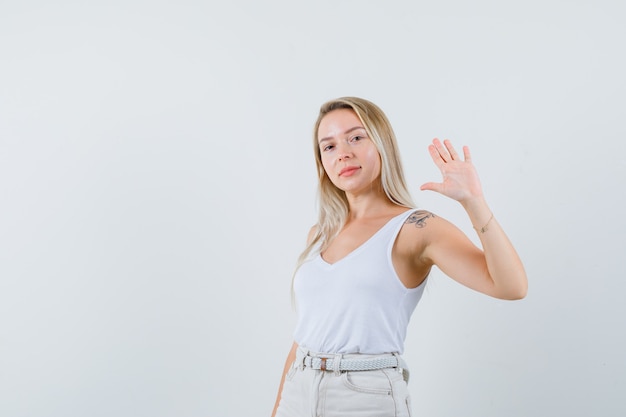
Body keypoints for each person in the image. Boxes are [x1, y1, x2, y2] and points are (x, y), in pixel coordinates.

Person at [271, 97, 527, 417]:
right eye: (329, 146)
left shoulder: (415, 228)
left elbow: (511, 286)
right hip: (298, 389)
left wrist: (473, 201)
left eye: (356, 137)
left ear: (382, 143)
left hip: (363, 397)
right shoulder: (318, 234)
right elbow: (303, 335)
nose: (344, 153)